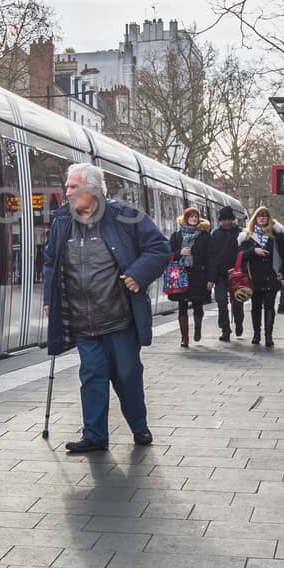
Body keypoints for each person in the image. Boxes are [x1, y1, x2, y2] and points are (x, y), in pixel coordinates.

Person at [41, 163, 169, 454]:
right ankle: (95, 435)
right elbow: (50, 262)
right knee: (92, 375)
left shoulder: (124, 216)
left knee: (127, 375)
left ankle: (139, 425)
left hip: (119, 317)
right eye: (68, 186)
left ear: (93, 189)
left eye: (73, 186)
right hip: (82, 318)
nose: (67, 191)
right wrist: (50, 298)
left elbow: (159, 247)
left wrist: (138, 274)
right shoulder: (63, 221)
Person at [165, 207, 212, 347]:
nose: (193, 219)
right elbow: (168, 254)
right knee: (182, 305)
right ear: (186, 218)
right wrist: (180, 252)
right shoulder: (176, 236)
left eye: (196, 217)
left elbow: (211, 257)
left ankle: (197, 330)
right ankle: (184, 337)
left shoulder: (204, 236)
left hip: (199, 276)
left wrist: (211, 278)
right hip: (181, 275)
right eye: (191, 216)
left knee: (198, 304)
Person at [239, 207, 284, 346]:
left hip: (271, 276)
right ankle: (256, 334)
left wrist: (283, 271)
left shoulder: (276, 236)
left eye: (265, 216)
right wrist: (254, 250)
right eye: (259, 216)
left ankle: (268, 336)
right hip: (254, 277)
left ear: (269, 219)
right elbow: (240, 256)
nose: (262, 218)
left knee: (270, 307)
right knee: (256, 307)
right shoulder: (247, 236)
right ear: (255, 218)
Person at [209, 207, 245, 341]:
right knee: (221, 301)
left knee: (237, 301)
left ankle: (239, 321)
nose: (227, 222)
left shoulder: (240, 234)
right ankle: (225, 329)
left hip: (236, 274)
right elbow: (211, 257)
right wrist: (212, 277)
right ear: (220, 220)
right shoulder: (216, 235)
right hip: (220, 274)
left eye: (229, 219)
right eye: (224, 220)